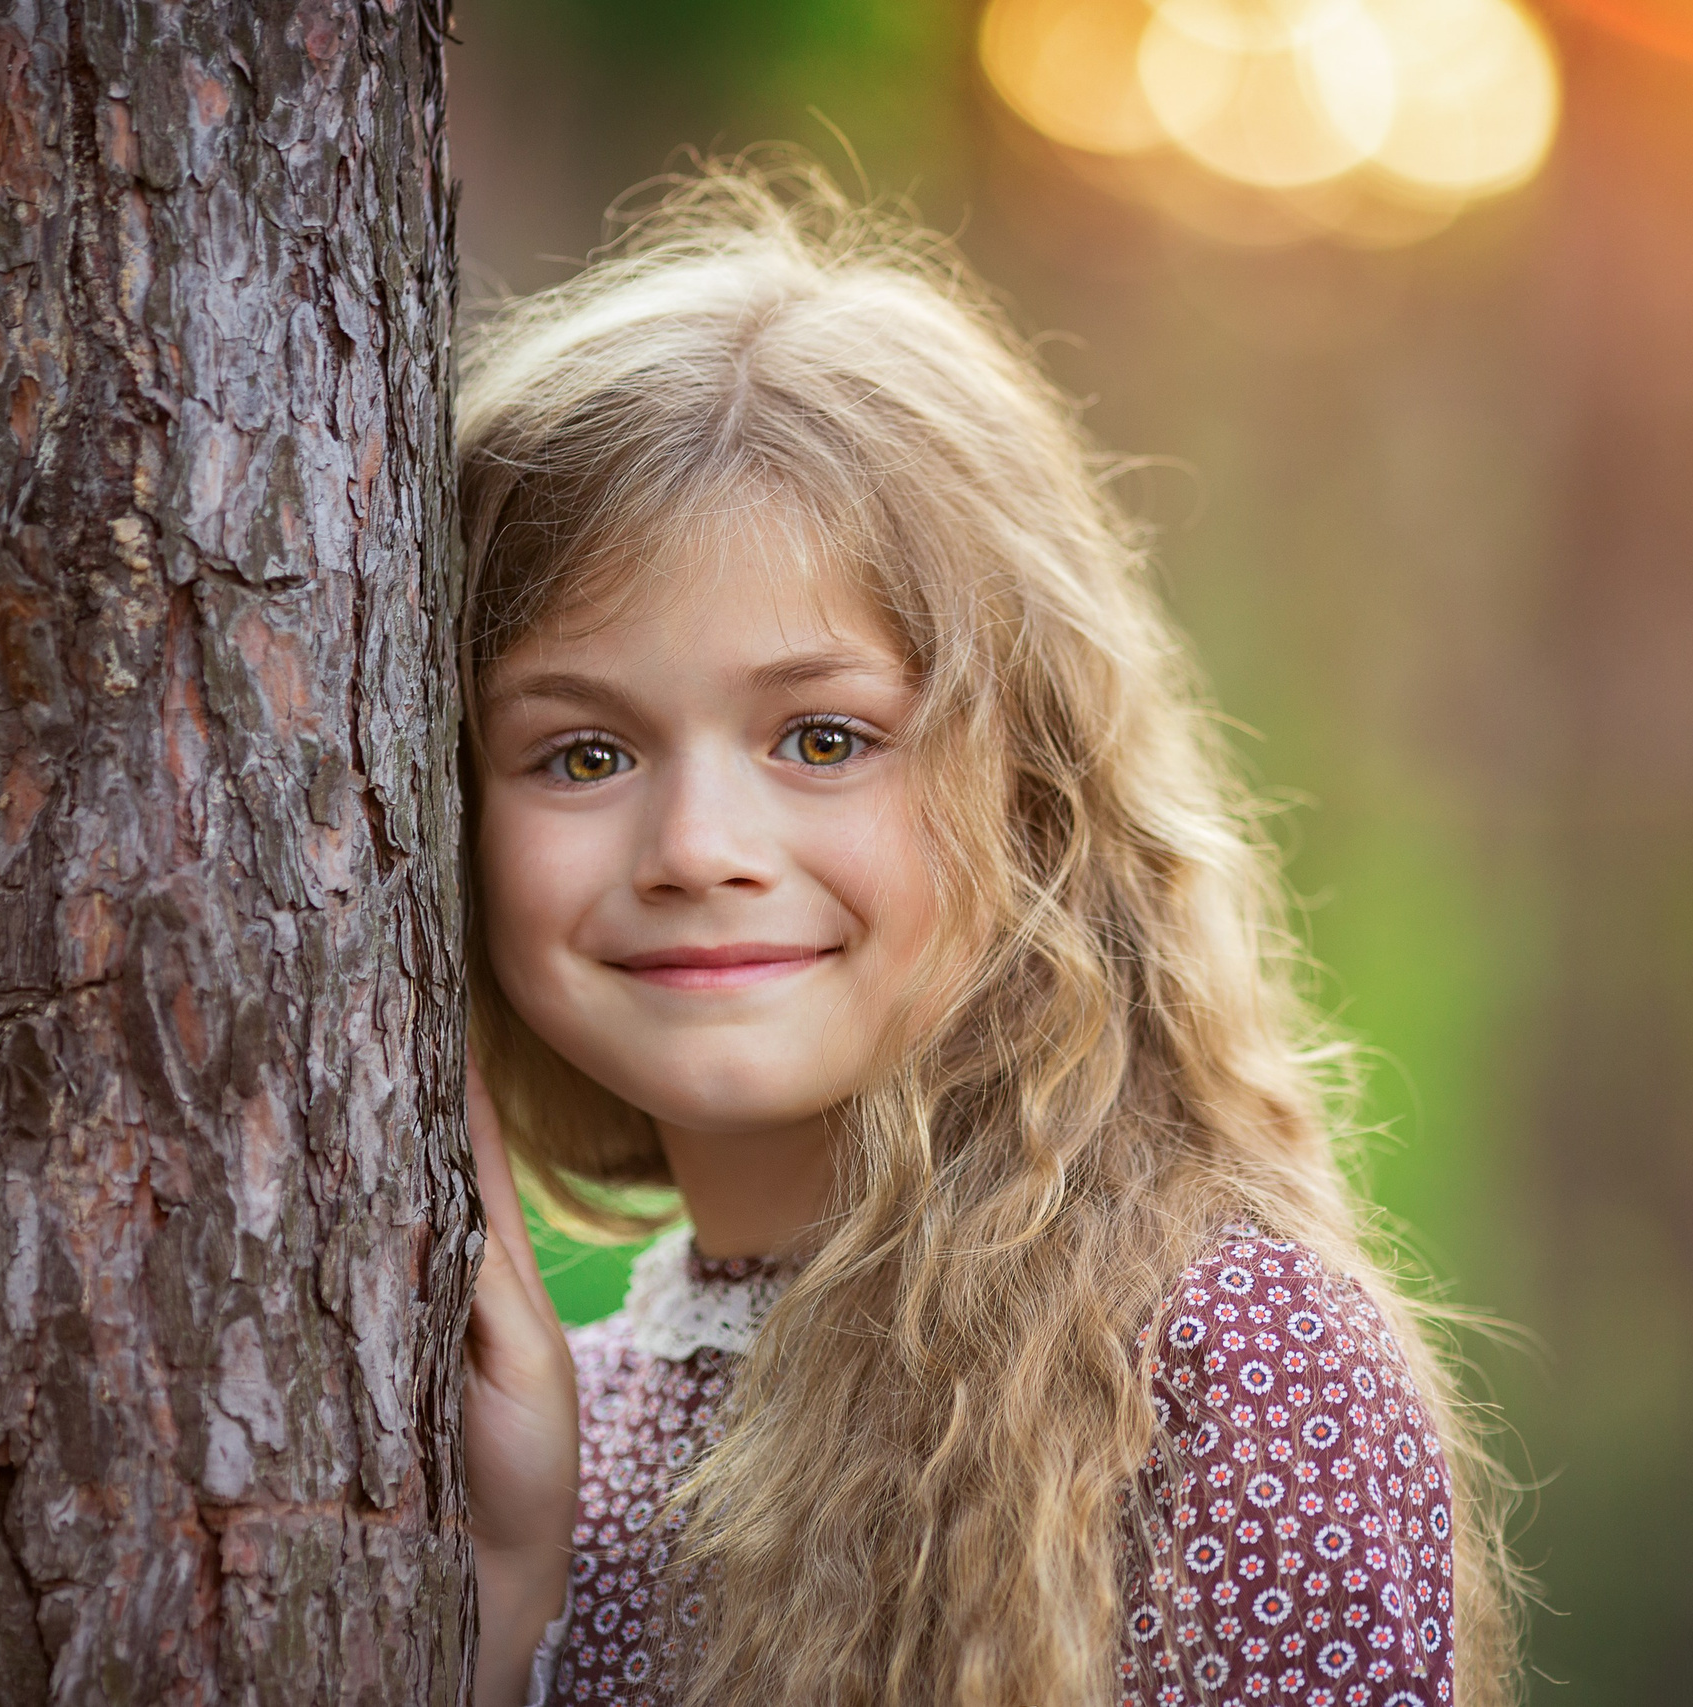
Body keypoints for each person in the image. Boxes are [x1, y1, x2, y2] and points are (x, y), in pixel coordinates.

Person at [455, 159, 1516, 1707]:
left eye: (822, 738)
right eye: (583, 754)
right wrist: (500, 1595)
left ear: (1036, 793)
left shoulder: (1227, 1372)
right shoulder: (557, 1425)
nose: (695, 850)